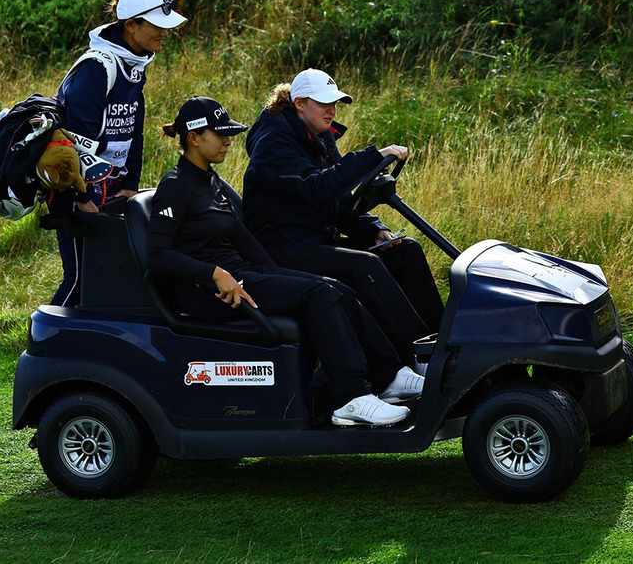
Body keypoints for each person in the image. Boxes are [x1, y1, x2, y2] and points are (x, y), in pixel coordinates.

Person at [146, 96, 425, 426]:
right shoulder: (175, 188)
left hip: (241, 276)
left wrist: (281, 274)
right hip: (211, 293)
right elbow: (157, 255)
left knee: (333, 288)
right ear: (193, 138)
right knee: (320, 294)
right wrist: (214, 274)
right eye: (219, 135)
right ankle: (350, 397)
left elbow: (242, 237)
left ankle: (390, 376)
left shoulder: (211, 182)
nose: (227, 141)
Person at [242, 69, 445, 369]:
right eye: (324, 103)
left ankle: (441, 347)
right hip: (280, 250)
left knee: (406, 250)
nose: (332, 110)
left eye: (335, 102)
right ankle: (413, 359)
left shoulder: (320, 136)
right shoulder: (272, 145)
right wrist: (371, 157)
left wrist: (373, 230)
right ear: (299, 103)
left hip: (315, 241)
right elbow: (320, 187)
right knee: (364, 265)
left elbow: (338, 202)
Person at [48, 0, 187, 306]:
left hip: (111, 188)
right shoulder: (96, 68)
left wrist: (130, 185)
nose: (164, 33)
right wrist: (84, 197)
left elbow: (133, 131)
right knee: (80, 276)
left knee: (107, 274)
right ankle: (43, 340)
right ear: (131, 25)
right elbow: (74, 144)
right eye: (157, 26)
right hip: (77, 191)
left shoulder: (134, 64)